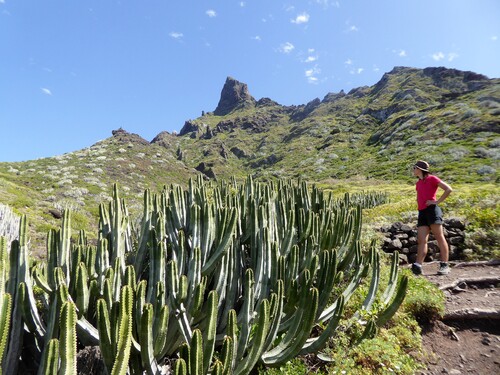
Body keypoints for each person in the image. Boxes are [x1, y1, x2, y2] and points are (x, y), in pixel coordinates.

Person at [411, 160, 453, 276]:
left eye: (414, 168)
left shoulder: (432, 178)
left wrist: (437, 201)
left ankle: (444, 264)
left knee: (439, 237)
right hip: (422, 212)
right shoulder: (418, 183)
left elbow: (448, 189)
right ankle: (418, 266)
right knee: (421, 240)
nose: (413, 170)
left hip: (432, 211)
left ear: (419, 169)